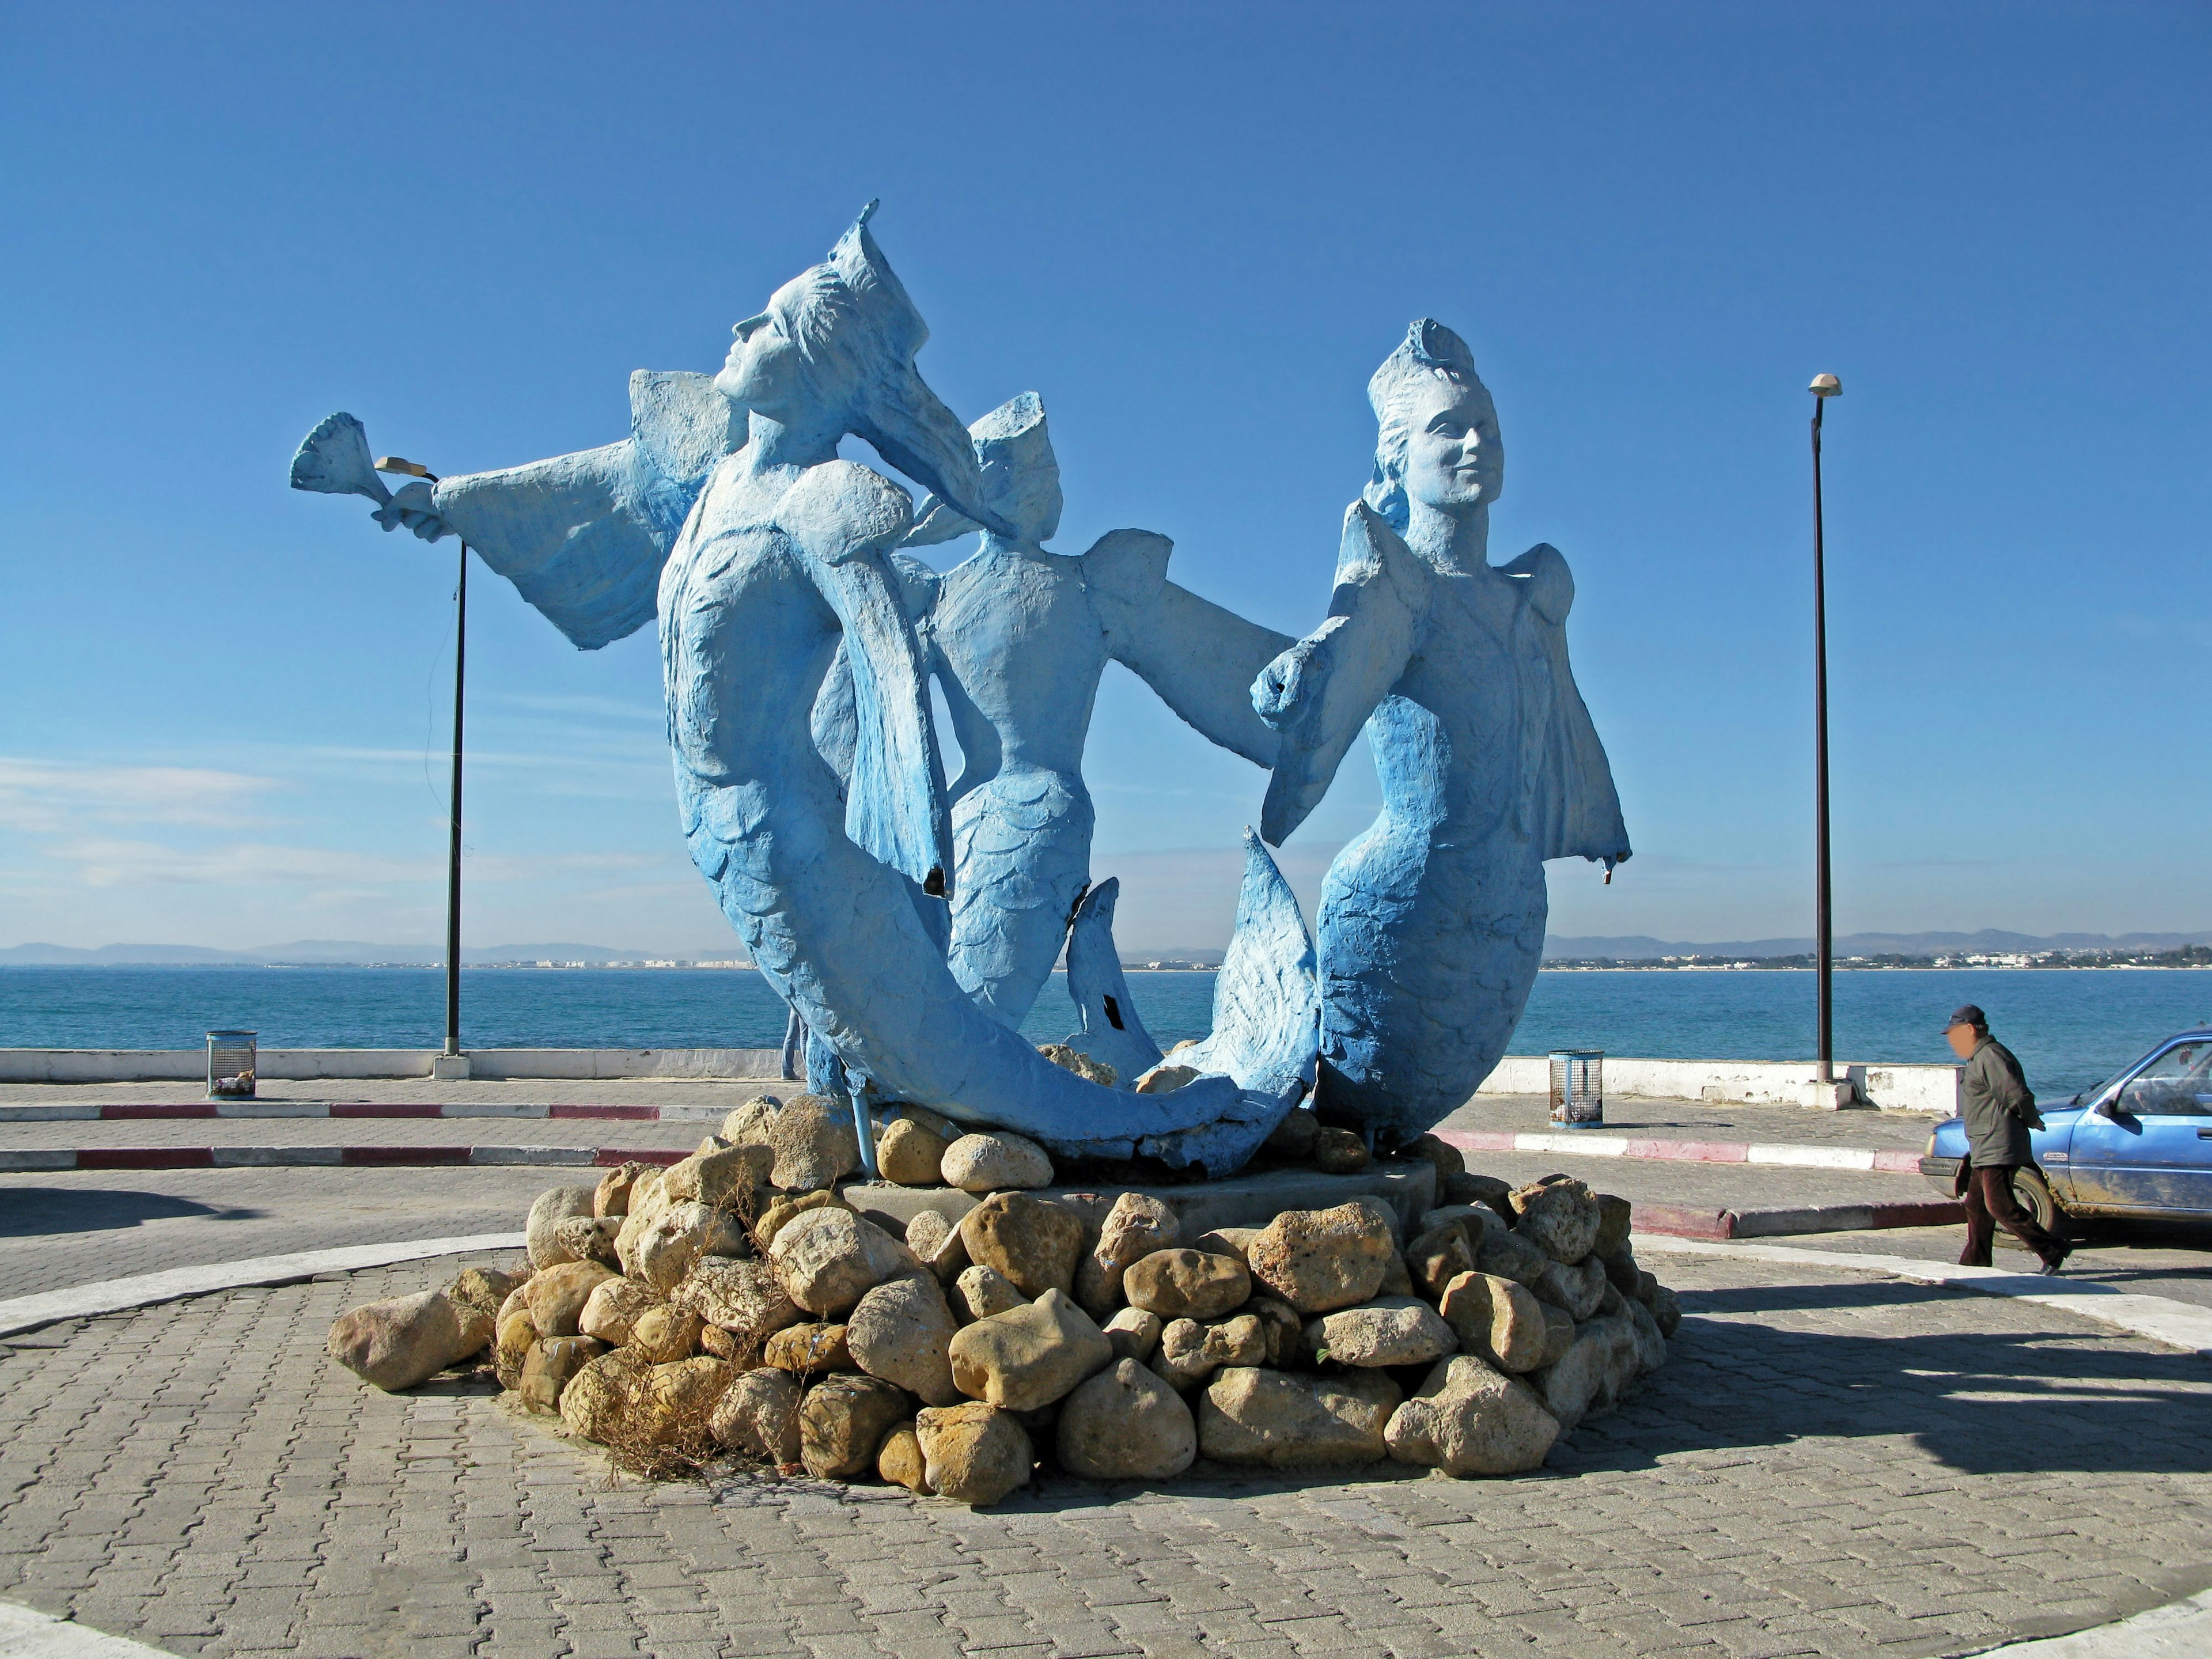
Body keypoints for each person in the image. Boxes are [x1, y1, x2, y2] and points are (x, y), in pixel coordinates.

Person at [1252, 320, 1631, 1147]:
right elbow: (1343, 633)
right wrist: (1299, 675)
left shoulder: (1534, 591)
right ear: (1396, 459)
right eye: (1447, 429)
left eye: (1487, 428)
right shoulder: (1399, 585)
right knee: (1357, 1111)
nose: (1474, 444)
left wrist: (1596, 820)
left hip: (1512, 896)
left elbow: (1561, 702)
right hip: (1401, 898)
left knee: (1403, 1117)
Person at [1945, 1003, 2069, 1274]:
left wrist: (2031, 1118)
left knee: (2000, 1207)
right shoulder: (1978, 1058)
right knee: (1976, 1206)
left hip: (1997, 1144)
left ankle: (2052, 1249)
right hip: (1983, 1145)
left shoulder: (1991, 1056)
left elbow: (2015, 1094)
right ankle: (1975, 1263)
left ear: (1970, 1030)